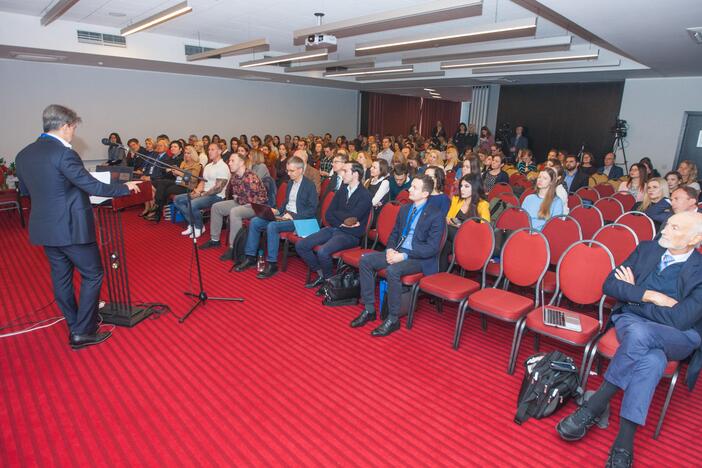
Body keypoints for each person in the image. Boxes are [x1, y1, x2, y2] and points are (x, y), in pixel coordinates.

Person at [556, 211, 702, 468]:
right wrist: (650, 295)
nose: (665, 230)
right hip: (633, 323)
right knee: (652, 360)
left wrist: (633, 297)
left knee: (642, 335)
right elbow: (610, 285)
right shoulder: (646, 249)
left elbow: (682, 319)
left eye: (675, 228)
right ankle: (624, 442)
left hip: (678, 336)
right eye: (668, 224)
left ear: (695, 239)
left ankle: (596, 405)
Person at [15, 104, 141, 349]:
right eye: (73, 128)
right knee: (93, 274)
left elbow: (26, 191)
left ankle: (75, 323)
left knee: (61, 278)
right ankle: (83, 331)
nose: (73, 132)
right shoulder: (63, 153)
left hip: (45, 228)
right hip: (72, 227)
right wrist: (124, 188)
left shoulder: (24, 154)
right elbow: (92, 186)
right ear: (64, 126)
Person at [351, 176, 445, 337]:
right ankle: (369, 309)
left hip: (419, 259)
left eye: (415, 188)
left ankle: (393, 319)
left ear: (425, 193)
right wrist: (389, 249)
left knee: (393, 271)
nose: (410, 190)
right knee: (365, 260)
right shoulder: (405, 209)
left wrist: (404, 255)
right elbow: (394, 233)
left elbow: (432, 248)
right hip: (397, 252)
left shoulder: (435, 215)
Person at [236, 156, 318, 278]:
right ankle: (250, 257)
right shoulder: (290, 183)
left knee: (272, 226)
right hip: (284, 215)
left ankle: (272, 264)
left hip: (298, 220)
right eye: (288, 170)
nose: (288, 173)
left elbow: (312, 209)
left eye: (292, 171)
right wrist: (277, 211)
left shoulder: (309, 185)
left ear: (300, 170)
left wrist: (293, 216)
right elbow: (287, 201)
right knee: (255, 222)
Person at [296, 162, 372, 290]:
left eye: (345, 171)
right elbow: (329, 214)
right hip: (335, 228)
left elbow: (352, 216)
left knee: (323, 252)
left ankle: (330, 284)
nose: (342, 174)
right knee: (301, 245)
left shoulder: (365, 195)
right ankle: (323, 275)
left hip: (351, 235)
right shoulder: (342, 189)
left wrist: (342, 217)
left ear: (355, 174)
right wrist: (343, 221)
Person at [199, 150, 267, 258]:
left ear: (241, 163)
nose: (229, 163)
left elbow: (253, 200)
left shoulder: (251, 177)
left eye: (232, 161)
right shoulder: (235, 176)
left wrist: (239, 198)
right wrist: (239, 198)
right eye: (229, 160)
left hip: (256, 206)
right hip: (242, 202)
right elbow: (238, 196)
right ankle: (214, 239)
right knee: (216, 207)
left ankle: (233, 248)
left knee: (234, 212)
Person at [173, 142, 230, 239]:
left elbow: (218, 188)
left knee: (193, 203)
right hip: (205, 193)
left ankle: (199, 227)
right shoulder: (208, 166)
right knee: (177, 199)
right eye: (209, 150)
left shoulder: (223, 167)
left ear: (220, 151)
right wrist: (197, 191)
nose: (210, 152)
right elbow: (203, 182)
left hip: (217, 196)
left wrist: (201, 194)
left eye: (213, 149)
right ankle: (193, 224)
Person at [441, 175, 490, 271]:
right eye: (461, 186)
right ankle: (440, 275)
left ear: (475, 187)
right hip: (453, 238)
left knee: (444, 229)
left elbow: (486, 229)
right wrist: (454, 223)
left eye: (466, 186)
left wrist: (463, 227)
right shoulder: (456, 200)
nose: (462, 189)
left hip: (471, 240)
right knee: (444, 246)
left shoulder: (482, 204)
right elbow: (448, 218)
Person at [146, 144, 202, 223]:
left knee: (165, 190)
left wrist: (179, 172)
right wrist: (175, 173)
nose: (186, 155)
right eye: (185, 153)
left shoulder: (197, 165)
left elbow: (193, 179)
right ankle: (157, 207)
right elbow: (179, 177)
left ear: (193, 154)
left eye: (188, 153)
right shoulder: (183, 163)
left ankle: (157, 211)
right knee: (162, 183)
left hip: (188, 186)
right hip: (179, 182)